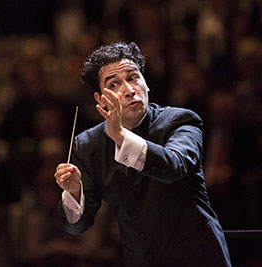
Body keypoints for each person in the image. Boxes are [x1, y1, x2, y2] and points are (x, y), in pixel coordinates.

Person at [54, 42, 231, 266]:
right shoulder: (88, 145)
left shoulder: (180, 121)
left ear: (146, 84)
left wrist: (120, 136)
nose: (129, 89)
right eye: (114, 84)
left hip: (198, 258)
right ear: (100, 99)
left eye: (134, 77)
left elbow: (174, 166)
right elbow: (76, 226)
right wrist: (74, 192)